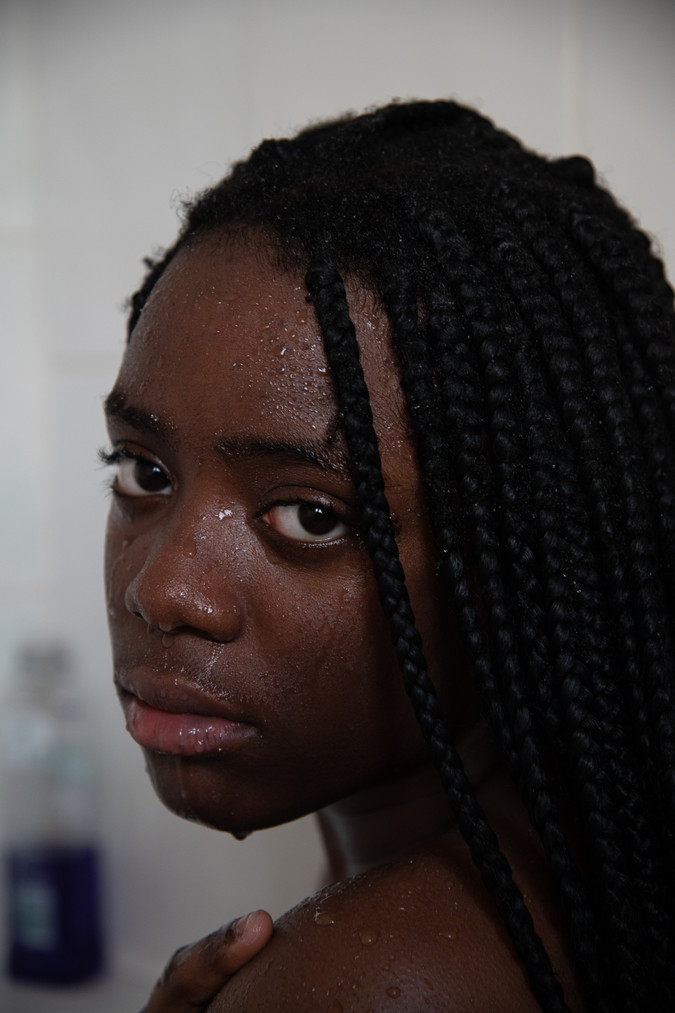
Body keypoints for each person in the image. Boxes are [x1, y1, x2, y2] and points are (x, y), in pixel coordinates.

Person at [102, 100, 675, 1012]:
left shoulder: (364, 981)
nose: (162, 589)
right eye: (145, 470)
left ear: (516, 559)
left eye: (310, 516)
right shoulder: (575, 882)